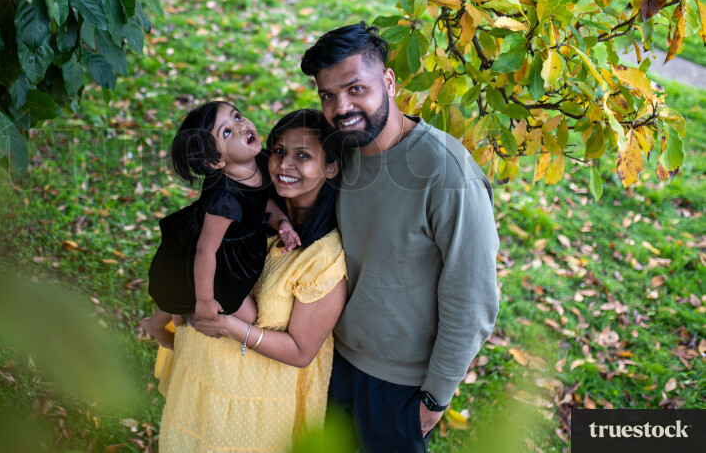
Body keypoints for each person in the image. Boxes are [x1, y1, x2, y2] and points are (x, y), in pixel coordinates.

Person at [300, 22, 499, 452]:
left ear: (388, 81)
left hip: (402, 384)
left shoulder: (447, 173)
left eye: (356, 89)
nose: (342, 107)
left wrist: (435, 396)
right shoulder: (340, 153)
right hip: (334, 358)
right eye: (328, 96)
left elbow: (474, 298)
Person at [157, 109, 348, 452]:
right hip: (203, 381)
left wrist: (227, 326)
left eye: (302, 156)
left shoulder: (323, 256)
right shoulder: (236, 198)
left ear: (331, 167)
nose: (283, 165)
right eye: (279, 152)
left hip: (252, 404)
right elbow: (203, 254)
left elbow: (302, 351)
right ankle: (159, 319)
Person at [142, 101, 300, 349]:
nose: (241, 127)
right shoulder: (224, 201)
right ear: (214, 163)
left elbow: (262, 200)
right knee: (181, 291)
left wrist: (282, 222)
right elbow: (206, 251)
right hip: (211, 253)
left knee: (183, 292)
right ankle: (160, 324)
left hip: (235, 242)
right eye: (226, 132)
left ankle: (165, 319)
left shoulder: (259, 162)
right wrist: (205, 301)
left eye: (237, 116)